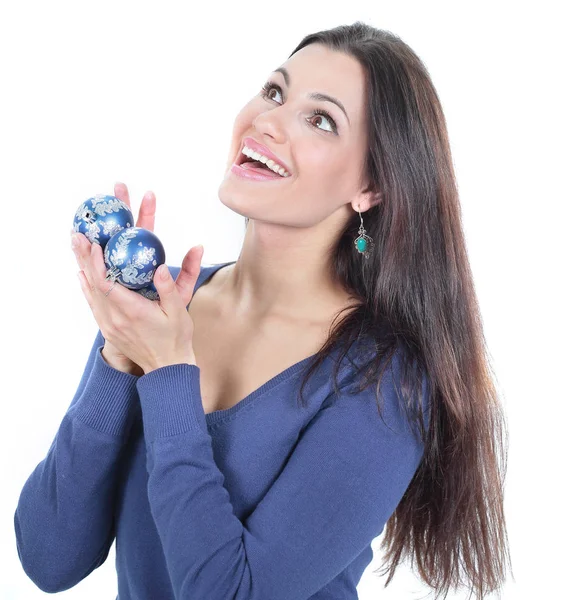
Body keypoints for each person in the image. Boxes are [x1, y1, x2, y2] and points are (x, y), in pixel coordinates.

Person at [15, 21, 511, 600]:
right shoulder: (166, 306)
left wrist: (170, 373)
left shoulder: (384, 382)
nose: (268, 121)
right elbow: (50, 558)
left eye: (320, 119)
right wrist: (120, 355)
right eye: (275, 92)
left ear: (370, 187)